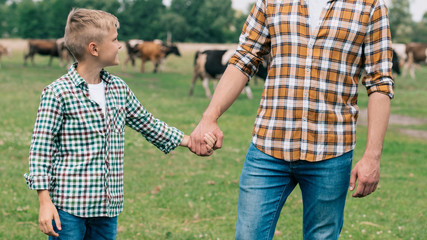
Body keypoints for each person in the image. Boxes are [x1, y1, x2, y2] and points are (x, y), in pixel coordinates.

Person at [189, 0, 394, 239]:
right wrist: (209, 117)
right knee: (248, 235)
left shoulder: (370, 6)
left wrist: (372, 156)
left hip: (332, 152)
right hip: (268, 149)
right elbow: (244, 58)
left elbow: (379, 83)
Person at [24, 8, 216, 240]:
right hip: (68, 207)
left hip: (107, 208)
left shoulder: (119, 89)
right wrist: (45, 202)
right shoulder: (57, 93)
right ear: (94, 49)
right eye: (114, 40)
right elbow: (40, 150)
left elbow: (148, 124)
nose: (120, 46)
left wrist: (189, 141)